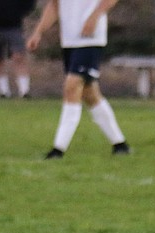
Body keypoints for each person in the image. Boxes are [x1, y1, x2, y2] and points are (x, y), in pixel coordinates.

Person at [25, 0, 130, 159]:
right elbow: (54, 5)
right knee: (90, 94)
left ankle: (58, 149)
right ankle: (120, 144)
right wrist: (38, 31)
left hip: (90, 38)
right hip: (69, 40)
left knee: (71, 86)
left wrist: (94, 17)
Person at [0, 0, 34, 98]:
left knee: (18, 57)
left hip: (14, 25)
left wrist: (18, 13)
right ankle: (4, 92)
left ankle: (24, 91)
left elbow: (29, 4)